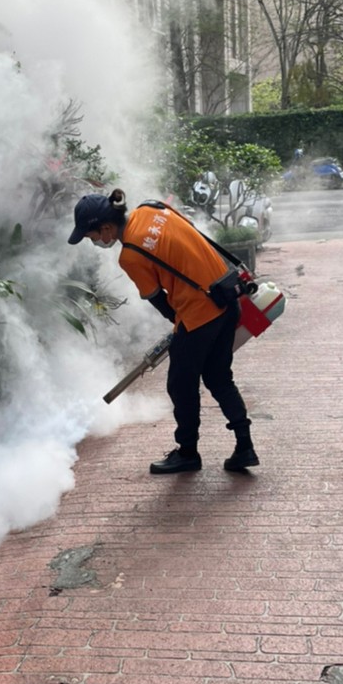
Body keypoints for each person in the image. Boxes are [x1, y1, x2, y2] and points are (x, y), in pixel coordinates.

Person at [68, 188, 259, 475]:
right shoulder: (152, 208)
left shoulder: (130, 255)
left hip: (199, 314)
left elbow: (158, 298)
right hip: (227, 297)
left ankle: (188, 452)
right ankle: (245, 445)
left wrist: (181, 328)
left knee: (180, 385)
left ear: (106, 228)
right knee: (219, 377)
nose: (93, 241)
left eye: (90, 236)